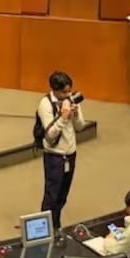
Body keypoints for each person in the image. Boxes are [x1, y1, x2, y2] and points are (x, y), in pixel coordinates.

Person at [37, 70, 85, 228]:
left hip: (70, 155)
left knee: (62, 196)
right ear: (55, 90)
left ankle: (56, 225)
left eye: (69, 90)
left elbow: (80, 127)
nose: (68, 94)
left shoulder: (70, 100)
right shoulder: (45, 104)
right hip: (55, 157)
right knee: (51, 195)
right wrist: (63, 117)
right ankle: (44, 229)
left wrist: (76, 114)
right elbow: (50, 135)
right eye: (64, 92)